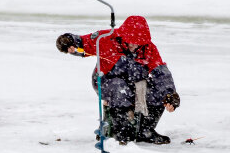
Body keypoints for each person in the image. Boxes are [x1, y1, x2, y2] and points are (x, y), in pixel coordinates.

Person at [56, 15, 180, 144]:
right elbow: (81, 43)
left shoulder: (149, 48)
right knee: (120, 88)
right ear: (123, 35)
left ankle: (145, 131)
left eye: (138, 42)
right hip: (106, 81)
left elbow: (161, 73)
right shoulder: (106, 38)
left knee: (158, 92)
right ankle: (119, 133)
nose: (134, 46)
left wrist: (170, 94)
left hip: (134, 83)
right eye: (131, 41)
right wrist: (68, 41)